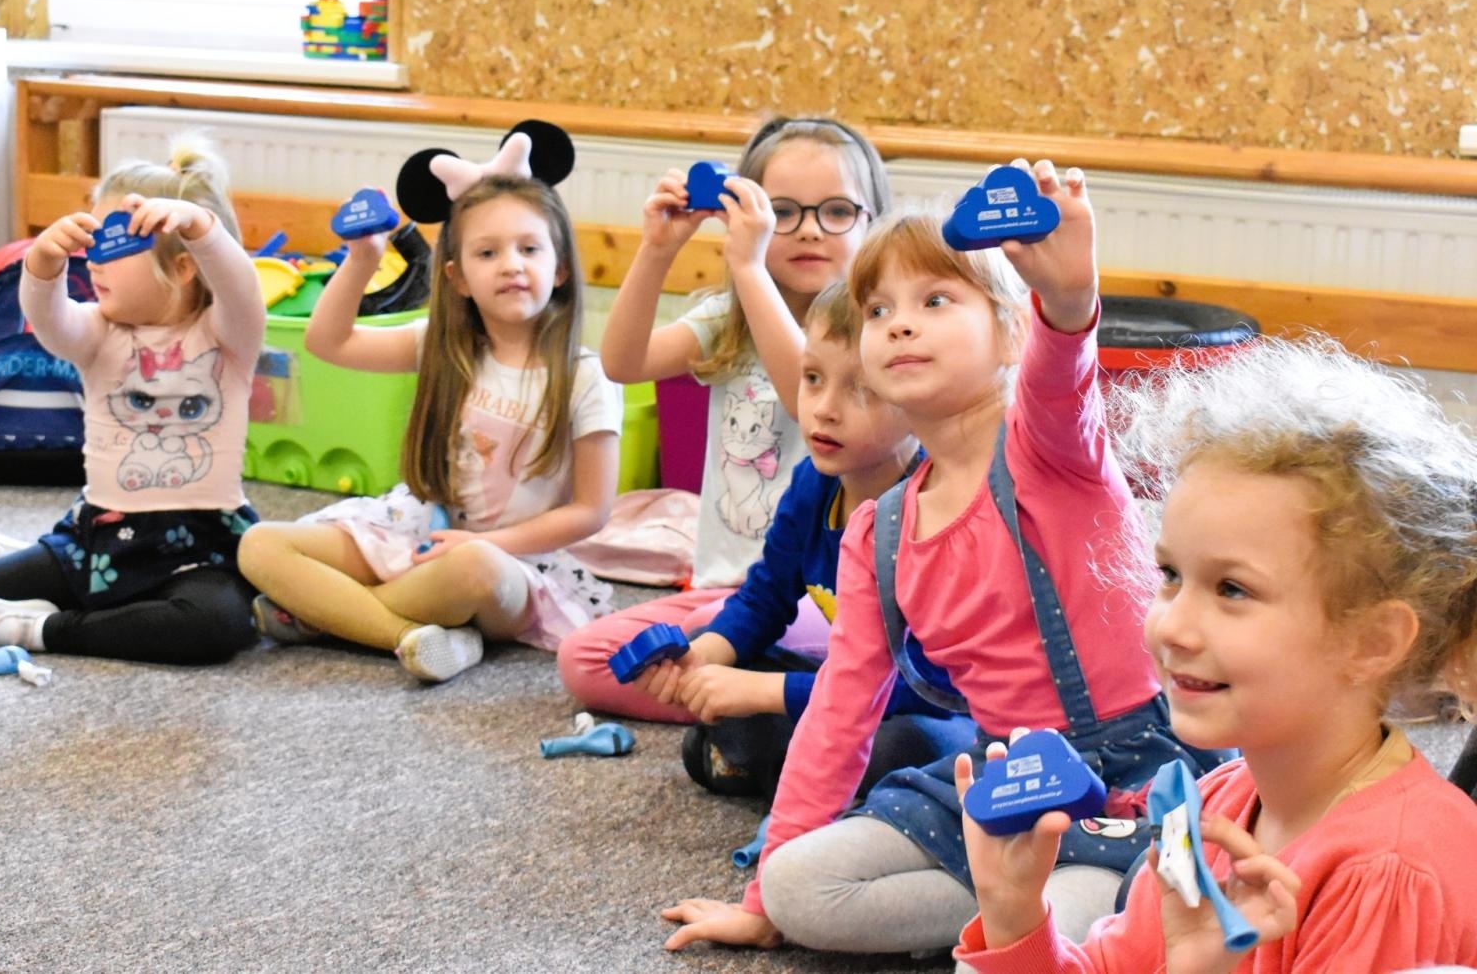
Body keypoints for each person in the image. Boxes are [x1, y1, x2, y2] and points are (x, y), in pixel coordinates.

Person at [664, 162, 1222, 956]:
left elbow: (1063, 369)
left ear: (1010, 332)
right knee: (795, 886)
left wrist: (1067, 297)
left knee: (1037, 945)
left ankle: (1073, 910)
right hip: (1002, 777)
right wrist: (762, 904)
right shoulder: (879, 530)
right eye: (879, 309)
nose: (899, 325)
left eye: (935, 301)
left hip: (1129, 778)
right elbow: (838, 713)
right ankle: (1021, 912)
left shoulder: (1049, 451)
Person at [953, 335, 1477, 972]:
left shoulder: (1392, 875)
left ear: (1374, 641)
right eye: (1171, 575)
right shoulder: (1213, 800)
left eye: (1232, 589)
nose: (1173, 626)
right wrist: (1014, 915)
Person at [237, 134, 620, 684]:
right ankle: (408, 634)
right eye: (487, 253)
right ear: (457, 278)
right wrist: (362, 260)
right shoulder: (438, 344)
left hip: (509, 562)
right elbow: (327, 342)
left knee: (474, 567)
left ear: (560, 268)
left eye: (529, 249)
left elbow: (590, 511)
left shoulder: (586, 375)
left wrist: (483, 543)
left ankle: (330, 612)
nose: (511, 265)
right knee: (259, 545)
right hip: (418, 530)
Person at [558, 117, 891, 715]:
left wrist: (750, 269)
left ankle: (783, 696)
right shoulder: (728, 319)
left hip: (829, 598)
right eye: (781, 211)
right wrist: (658, 250)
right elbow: (622, 363)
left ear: (873, 222)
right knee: (587, 657)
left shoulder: (876, 327)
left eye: (837, 211)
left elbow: (803, 398)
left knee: (713, 636)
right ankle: (779, 700)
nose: (809, 230)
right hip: (732, 593)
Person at [0, 136, 264, 665]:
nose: (93, 263)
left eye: (112, 248)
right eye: (90, 244)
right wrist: (43, 262)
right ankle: (48, 594)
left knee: (218, 626)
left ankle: (39, 629)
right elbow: (49, 320)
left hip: (199, 547)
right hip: (98, 541)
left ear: (183, 267)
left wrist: (202, 230)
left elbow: (242, 288)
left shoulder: (227, 335)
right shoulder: (99, 331)